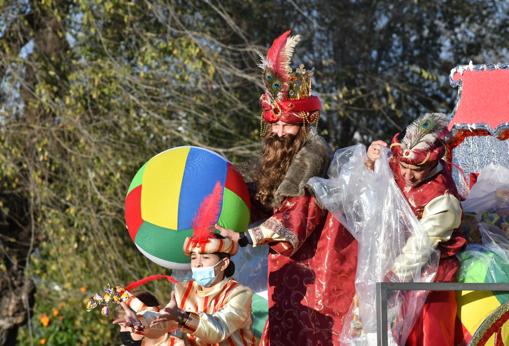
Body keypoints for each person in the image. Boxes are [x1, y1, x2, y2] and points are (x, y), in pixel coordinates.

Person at [218, 30, 357, 345]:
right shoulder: (277, 161)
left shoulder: (311, 160)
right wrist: (228, 193)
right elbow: (267, 202)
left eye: (288, 124)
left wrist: (244, 237)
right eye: (275, 124)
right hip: (291, 276)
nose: (280, 132)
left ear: (305, 124)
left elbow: (293, 220)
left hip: (319, 276)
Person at [366, 112, 465, 346]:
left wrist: (391, 279)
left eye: (417, 170)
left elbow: (421, 245)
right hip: (391, 265)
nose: (408, 175)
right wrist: (370, 161)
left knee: (426, 335)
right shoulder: (401, 165)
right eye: (403, 167)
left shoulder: (443, 197)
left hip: (430, 279)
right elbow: (369, 185)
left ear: (432, 164)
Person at [116, 183, 255, 346]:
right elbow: (163, 322)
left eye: (205, 258)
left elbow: (218, 330)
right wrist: (140, 324)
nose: (198, 264)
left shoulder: (239, 295)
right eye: (194, 258)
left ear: (224, 263)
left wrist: (181, 317)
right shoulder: (183, 291)